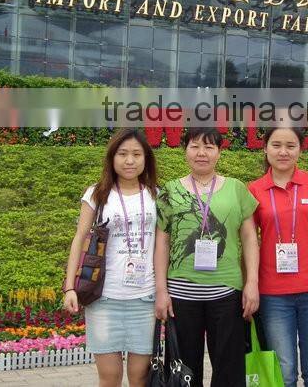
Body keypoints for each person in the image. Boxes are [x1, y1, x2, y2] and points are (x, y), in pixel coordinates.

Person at [155, 127, 259, 387]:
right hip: (181, 293)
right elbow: (162, 242)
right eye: (194, 146)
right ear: (185, 151)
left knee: (229, 369)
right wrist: (161, 290)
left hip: (226, 292)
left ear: (219, 152)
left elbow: (250, 238)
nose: (201, 153)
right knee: (184, 371)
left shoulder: (236, 188)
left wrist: (252, 283)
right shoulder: (170, 190)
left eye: (209, 147)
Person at [63, 128, 159, 387]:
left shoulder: (156, 195)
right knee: (109, 377)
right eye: (122, 154)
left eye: (136, 154)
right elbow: (79, 238)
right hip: (104, 298)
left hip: (145, 299)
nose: (130, 161)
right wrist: (70, 287)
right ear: (112, 157)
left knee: (140, 377)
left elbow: (164, 246)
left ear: (146, 158)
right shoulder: (97, 194)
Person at [247, 127, 308, 387]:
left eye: (291, 146)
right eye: (276, 145)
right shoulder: (254, 189)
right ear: (265, 148)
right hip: (274, 296)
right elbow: (249, 242)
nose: (283, 152)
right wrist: (249, 285)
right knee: (284, 374)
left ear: (300, 148)